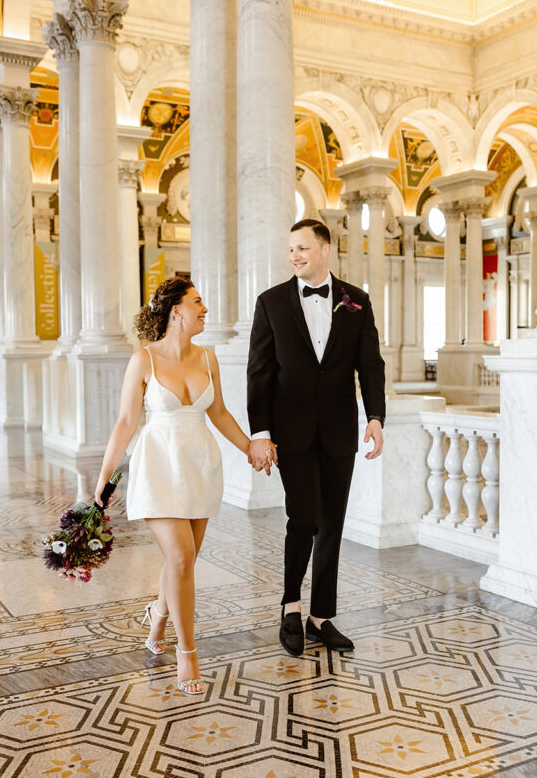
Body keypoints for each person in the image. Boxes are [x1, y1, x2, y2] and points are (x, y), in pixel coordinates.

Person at [94, 277, 251, 696]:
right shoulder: (143, 359)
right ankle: (188, 655)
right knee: (181, 556)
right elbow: (127, 422)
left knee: (185, 560)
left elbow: (218, 413)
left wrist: (250, 447)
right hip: (158, 466)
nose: (205, 308)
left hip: (200, 465)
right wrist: (104, 476)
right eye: (197, 302)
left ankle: (159, 613)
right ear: (175, 310)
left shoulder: (208, 357)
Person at [247, 218, 385, 657]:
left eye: (303, 248)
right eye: (291, 249)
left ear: (325, 250)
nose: (295, 256)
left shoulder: (356, 302)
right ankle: (290, 606)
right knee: (303, 518)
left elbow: (371, 365)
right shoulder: (270, 302)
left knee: (333, 524)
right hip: (292, 432)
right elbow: (260, 373)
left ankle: (321, 617)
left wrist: (376, 416)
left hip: (341, 432)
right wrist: (261, 432)